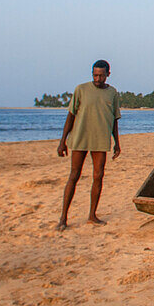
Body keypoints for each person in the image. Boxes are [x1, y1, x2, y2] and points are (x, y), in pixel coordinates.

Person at [57, 59, 121, 231]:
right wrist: (62, 141)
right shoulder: (81, 89)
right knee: (74, 176)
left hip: (101, 140)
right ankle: (63, 218)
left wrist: (117, 143)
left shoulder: (113, 93)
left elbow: (114, 120)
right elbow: (70, 116)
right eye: (95, 75)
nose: (97, 78)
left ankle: (92, 215)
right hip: (79, 138)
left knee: (98, 176)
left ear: (108, 74)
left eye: (101, 75)